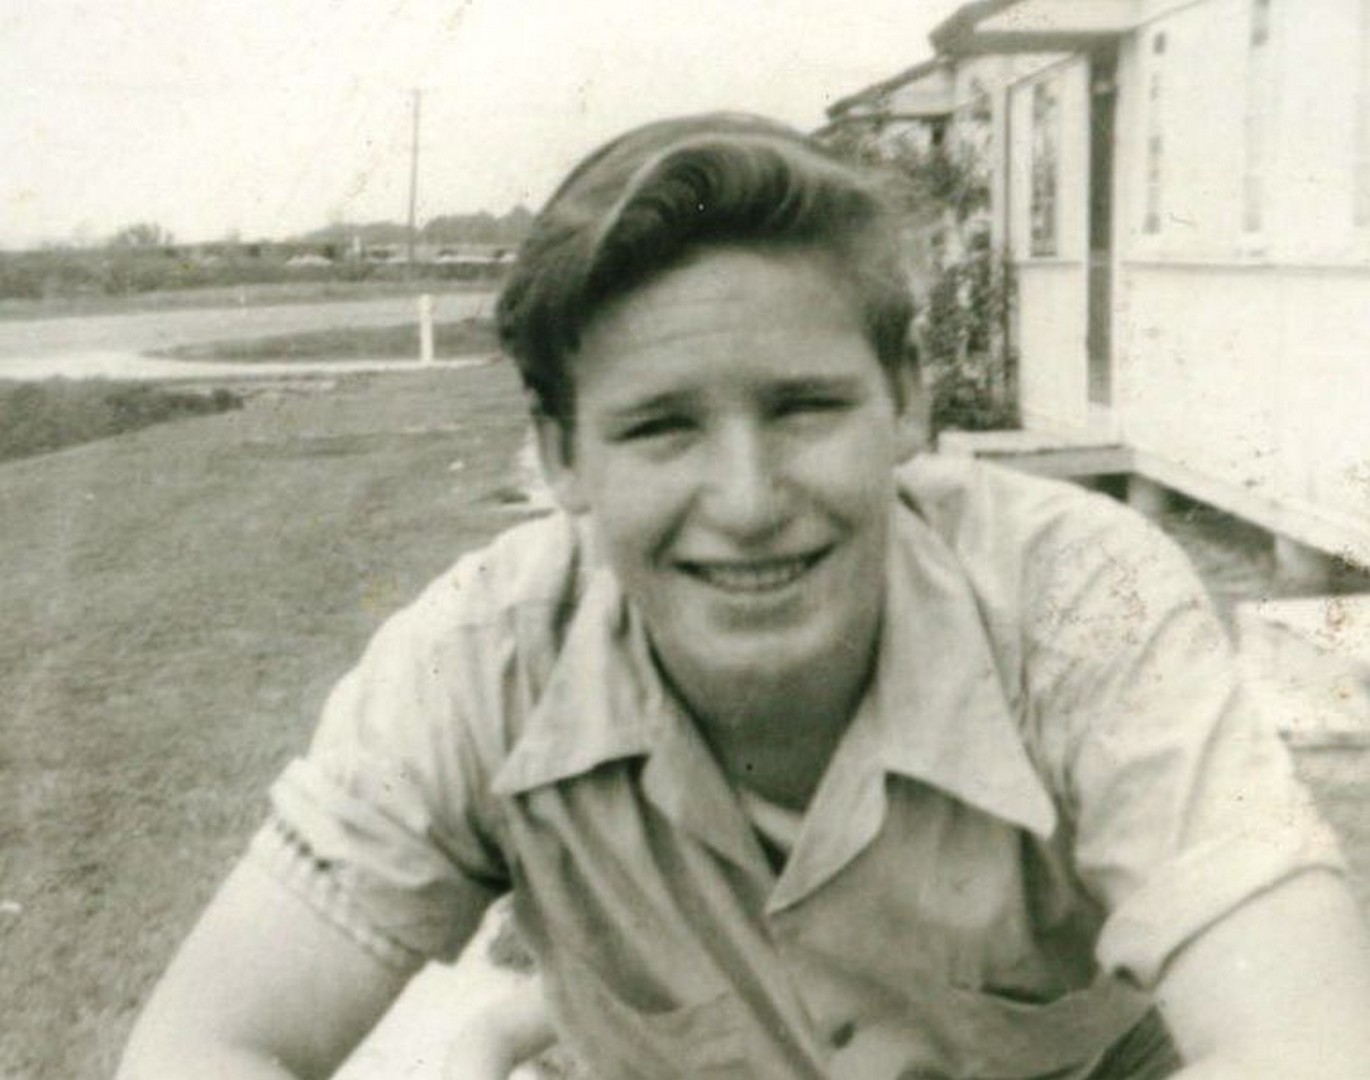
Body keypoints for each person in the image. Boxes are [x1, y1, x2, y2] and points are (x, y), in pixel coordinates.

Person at [118, 113, 1370, 1080]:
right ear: (560, 459)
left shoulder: (1079, 595)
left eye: (803, 407)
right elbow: (206, 1044)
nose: (748, 498)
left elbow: (1309, 1044)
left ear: (906, 401)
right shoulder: (478, 654)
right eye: (660, 427)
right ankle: (532, 1014)